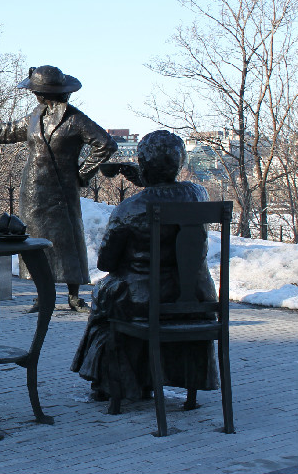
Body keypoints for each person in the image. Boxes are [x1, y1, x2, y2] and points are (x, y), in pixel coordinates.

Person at [71, 130, 219, 403]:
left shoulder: (130, 208)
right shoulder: (199, 194)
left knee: (105, 296)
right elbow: (169, 190)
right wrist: (140, 174)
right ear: (181, 162)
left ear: (143, 162)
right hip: (197, 299)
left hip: (145, 300)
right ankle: (165, 379)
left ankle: (114, 383)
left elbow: (106, 262)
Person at [0, 65, 117, 311]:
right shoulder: (35, 115)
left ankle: (74, 296)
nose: (33, 95)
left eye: (36, 91)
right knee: (36, 242)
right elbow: (7, 130)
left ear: (45, 93)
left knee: (68, 241)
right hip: (33, 189)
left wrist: (80, 175)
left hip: (62, 191)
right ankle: (43, 295)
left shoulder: (75, 119)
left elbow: (105, 145)